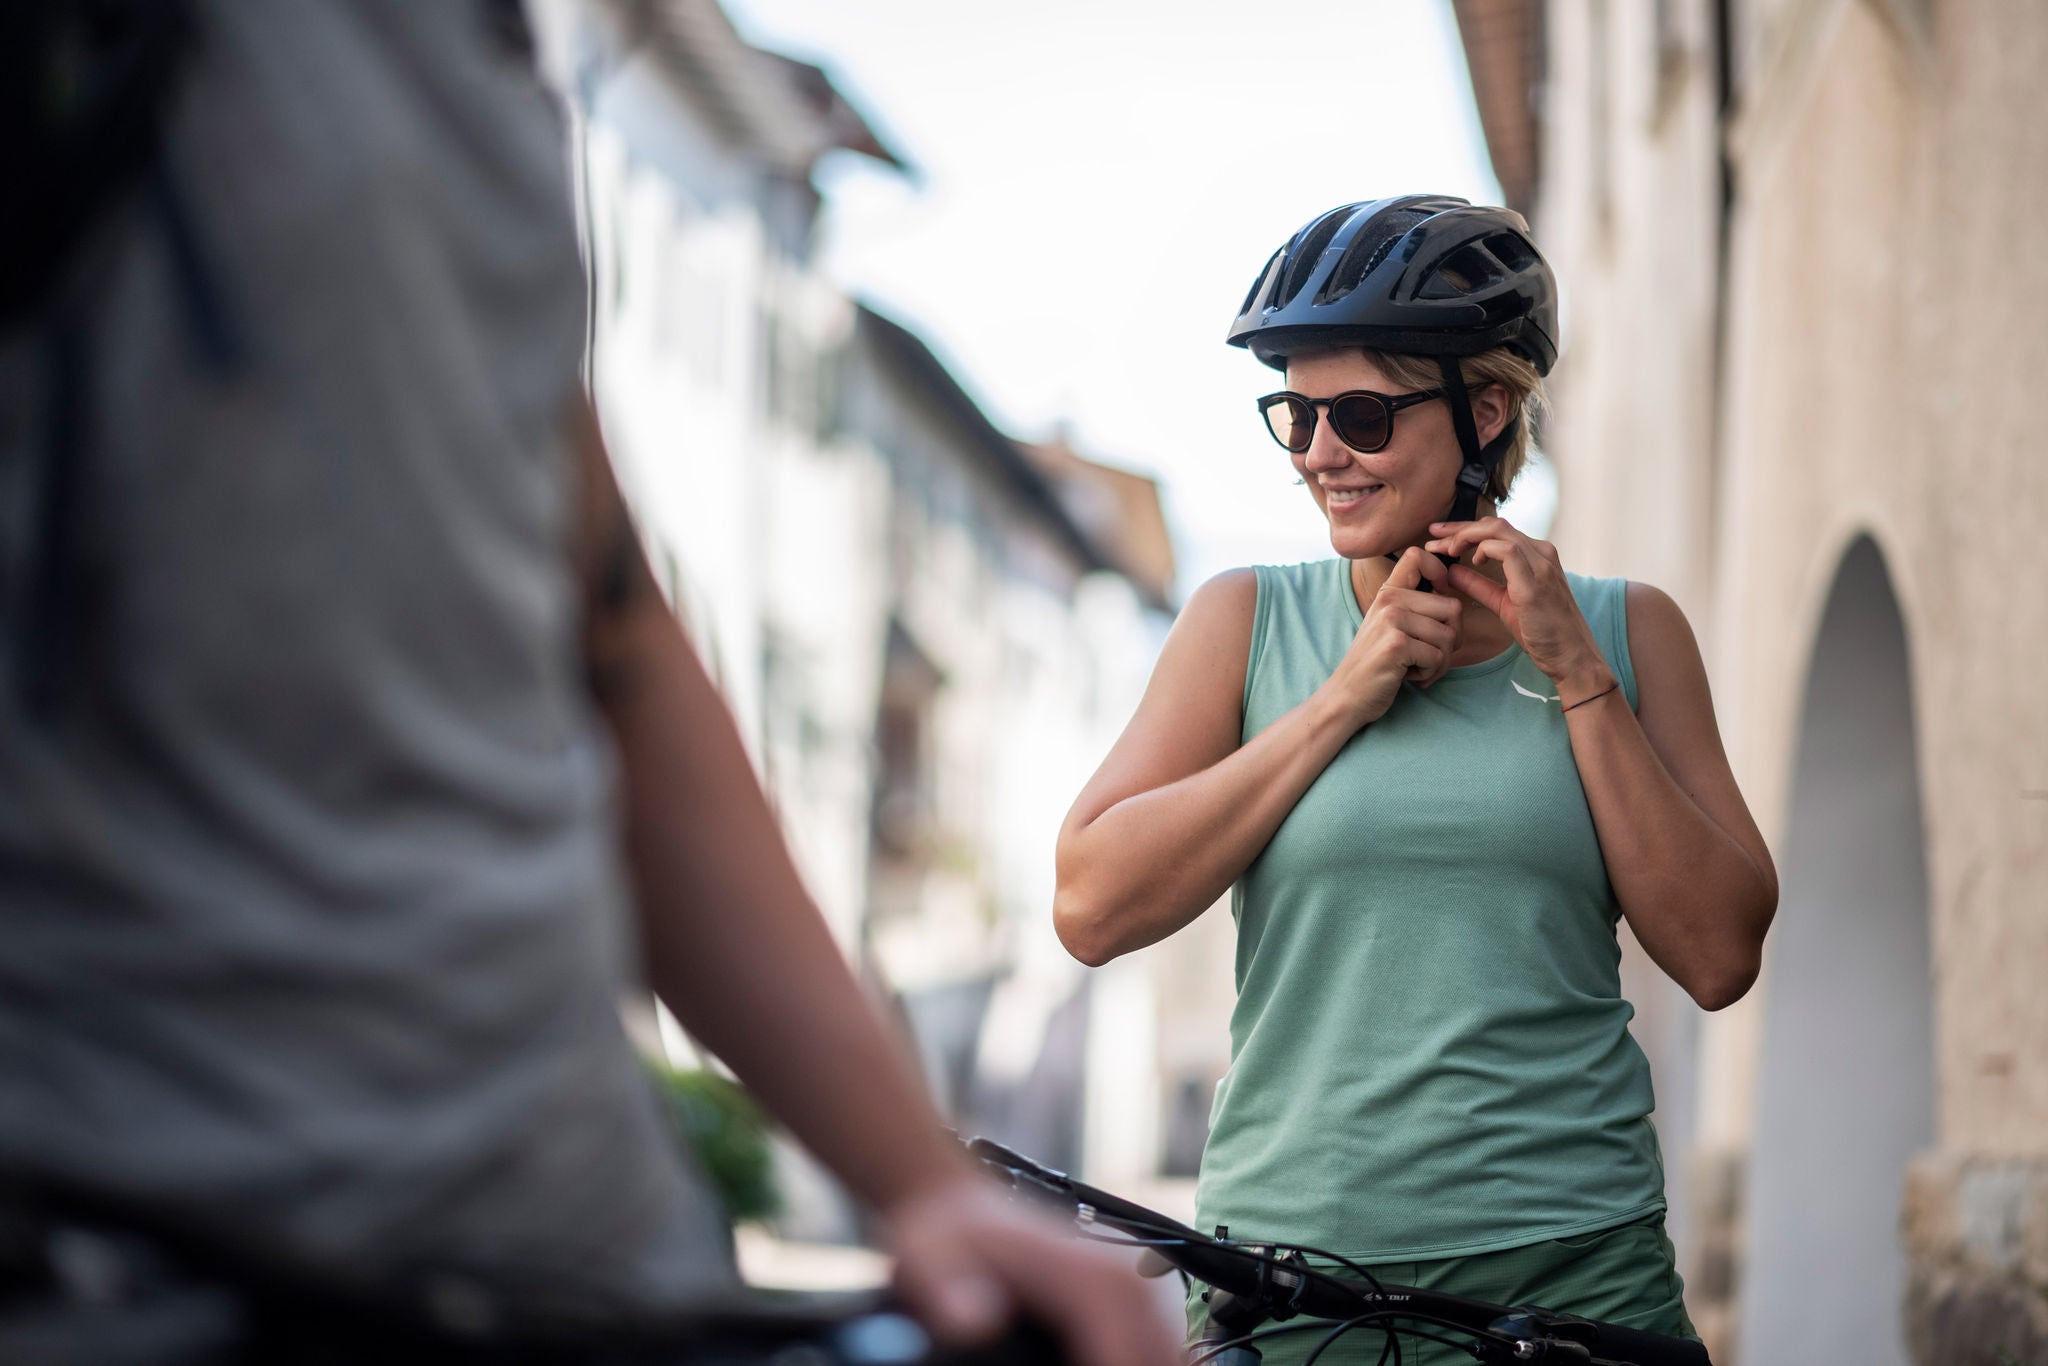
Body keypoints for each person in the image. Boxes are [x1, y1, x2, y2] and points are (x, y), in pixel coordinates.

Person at [0, 6, 1179, 1364]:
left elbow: (606, 631)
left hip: (584, 1255)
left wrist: (916, 1181)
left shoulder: (479, 53)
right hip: (135, 1263)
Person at [1052, 196, 1777, 1362]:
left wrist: (1573, 670)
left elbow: (1716, 953)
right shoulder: (1241, 621)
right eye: (1294, 411)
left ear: (1482, 410)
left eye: (1359, 415)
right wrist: (1342, 698)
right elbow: (1089, 908)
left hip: (1573, 1273)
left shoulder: (1628, 632)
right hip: (1288, 1280)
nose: (1317, 453)